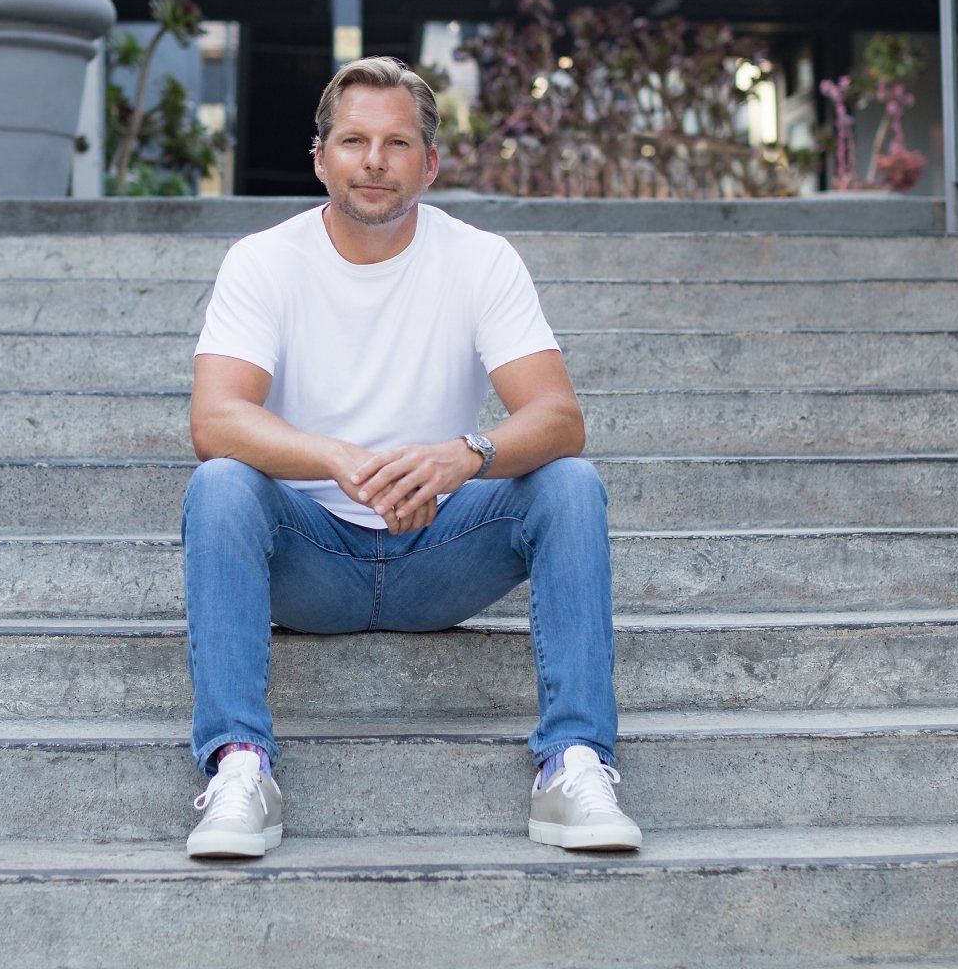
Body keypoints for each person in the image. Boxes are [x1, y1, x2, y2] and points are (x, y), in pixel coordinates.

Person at [181, 55, 640, 860]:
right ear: (320, 156)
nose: (374, 161)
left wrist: (466, 454)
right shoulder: (264, 261)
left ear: (430, 164)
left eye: (397, 144)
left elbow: (560, 418)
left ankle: (574, 763)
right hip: (311, 554)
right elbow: (216, 420)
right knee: (220, 486)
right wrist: (336, 459)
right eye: (354, 140)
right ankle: (239, 766)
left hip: (440, 552)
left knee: (570, 485)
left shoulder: (480, 260)